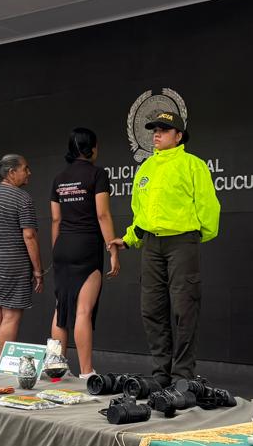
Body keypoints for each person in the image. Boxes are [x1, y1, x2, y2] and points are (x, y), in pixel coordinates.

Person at [108, 111, 219, 384]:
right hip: (151, 245)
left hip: (182, 242)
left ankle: (182, 374)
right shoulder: (145, 169)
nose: (156, 134)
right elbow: (141, 213)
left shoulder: (193, 165)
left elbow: (208, 207)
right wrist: (130, 238)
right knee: (152, 308)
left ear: (178, 136)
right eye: (154, 129)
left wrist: (193, 236)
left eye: (164, 129)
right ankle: (161, 374)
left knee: (184, 308)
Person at [49, 128, 120, 378]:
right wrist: (112, 248)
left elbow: (56, 220)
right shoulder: (97, 174)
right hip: (86, 246)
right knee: (82, 311)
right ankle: (87, 372)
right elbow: (102, 214)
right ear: (92, 148)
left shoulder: (59, 178)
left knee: (61, 309)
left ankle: (55, 366)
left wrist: (57, 249)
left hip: (63, 246)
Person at [0, 154, 43, 354]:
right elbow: (29, 236)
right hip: (14, 268)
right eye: (25, 168)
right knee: (10, 317)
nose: (29, 172)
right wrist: (38, 271)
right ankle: (1, 368)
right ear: (12, 172)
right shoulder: (22, 198)